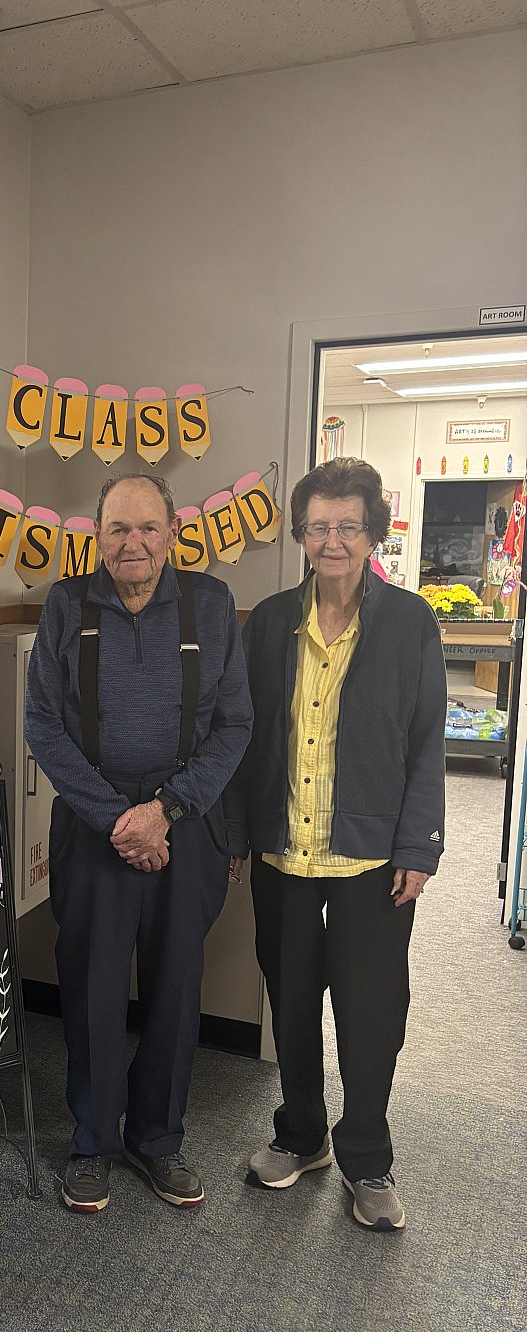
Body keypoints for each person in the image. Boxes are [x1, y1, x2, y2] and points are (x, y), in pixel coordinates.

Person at [225, 457, 445, 1231]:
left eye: (348, 526)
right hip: (285, 848)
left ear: (372, 532)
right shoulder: (270, 622)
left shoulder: (410, 622)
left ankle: (368, 1159)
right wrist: (238, 834)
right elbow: (243, 737)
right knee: (290, 1003)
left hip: (371, 857)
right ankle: (301, 1135)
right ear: (301, 534)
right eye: (319, 527)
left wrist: (419, 846)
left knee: (370, 1011)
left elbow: (426, 742)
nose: (332, 541)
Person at [25, 473, 253, 1214]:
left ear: (173, 534)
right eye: (119, 528)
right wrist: (117, 820)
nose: (134, 543)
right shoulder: (67, 605)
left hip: (186, 823)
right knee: (91, 986)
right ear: (98, 537)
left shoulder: (211, 605)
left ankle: (156, 1139)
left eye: (148, 528)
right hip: (94, 824)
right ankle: (91, 1142)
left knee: (176, 987)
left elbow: (235, 725)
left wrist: (166, 810)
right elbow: (43, 726)